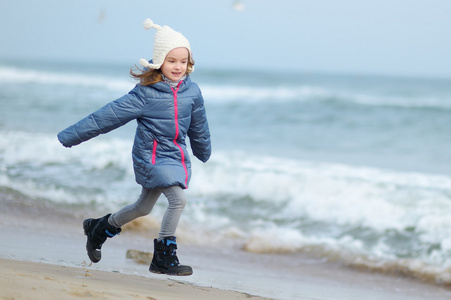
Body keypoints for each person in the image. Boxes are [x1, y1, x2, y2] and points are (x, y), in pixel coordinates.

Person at [57, 18, 211, 276]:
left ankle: (99, 227)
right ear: (159, 61)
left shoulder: (192, 92)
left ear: (189, 63)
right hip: (150, 158)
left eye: (183, 61)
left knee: (144, 207)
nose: (178, 66)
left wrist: (203, 151)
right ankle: (163, 256)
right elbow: (106, 116)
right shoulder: (145, 93)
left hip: (175, 157)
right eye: (171, 61)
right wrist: (71, 135)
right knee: (178, 199)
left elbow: (199, 125)